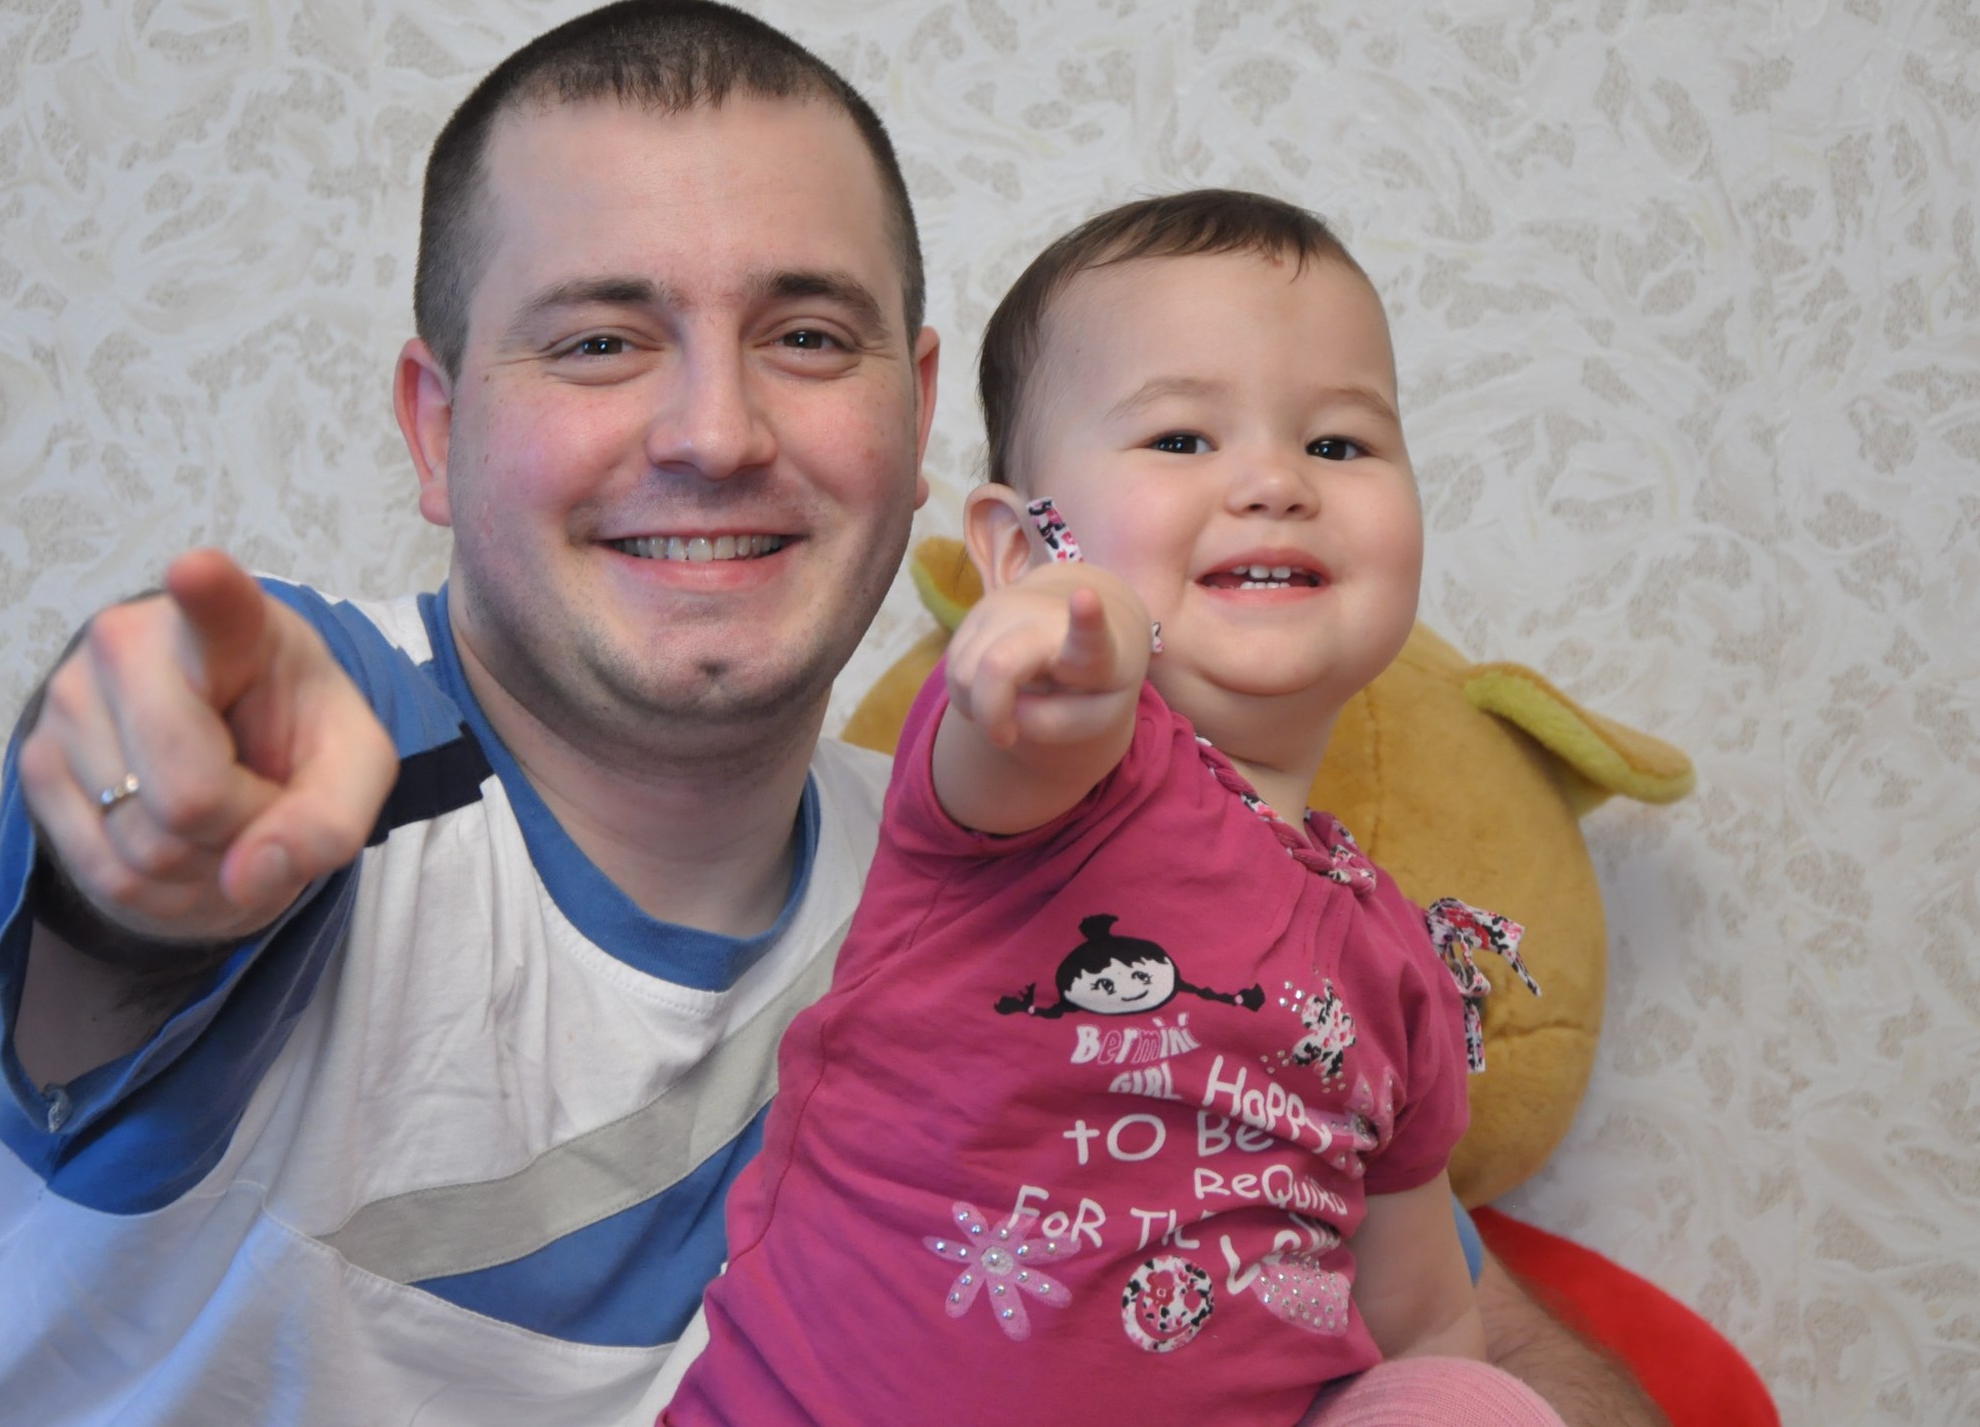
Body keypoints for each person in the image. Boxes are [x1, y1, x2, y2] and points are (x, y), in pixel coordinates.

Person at [0, 0, 1662, 1427]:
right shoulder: (324, 745)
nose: (713, 429)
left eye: (807, 337)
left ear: (915, 419)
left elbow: (1468, 1334)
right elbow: (149, 841)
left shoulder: (1032, 893)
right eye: (601, 340)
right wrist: (143, 824)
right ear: (437, 427)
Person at [666, 191, 1560, 1425]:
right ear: (1023, 545)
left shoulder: (1393, 959)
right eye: (1182, 438)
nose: (1275, 481)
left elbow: (1422, 1318)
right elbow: (1033, 725)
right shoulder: (1062, 779)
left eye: (1340, 444)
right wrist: (1063, 632)